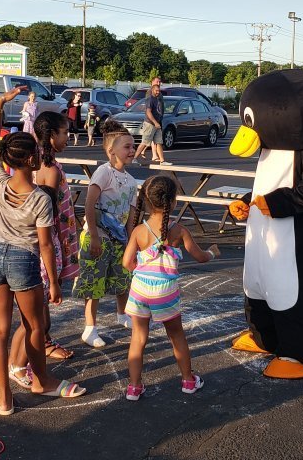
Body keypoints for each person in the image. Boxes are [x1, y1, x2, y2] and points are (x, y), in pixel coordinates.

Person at [0, 88, 86, 415]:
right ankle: (41, 381)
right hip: (22, 261)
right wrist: (54, 282)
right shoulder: (41, 198)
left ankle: (4, 397)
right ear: (31, 159)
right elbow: (44, 244)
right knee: (35, 326)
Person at [123, 175, 219, 401]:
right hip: (165, 291)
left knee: (138, 338)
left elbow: (127, 263)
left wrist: (143, 268)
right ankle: (188, 380)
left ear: (146, 201)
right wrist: (214, 251)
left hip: (140, 289)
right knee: (176, 335)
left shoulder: (139, 231)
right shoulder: (179, 231)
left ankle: (134, 387)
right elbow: (201, 257)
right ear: (173, 202)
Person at [8, 110, 80, 385]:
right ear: (51, 135)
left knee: (39, 320)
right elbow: (44, 214)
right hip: (43, 250)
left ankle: (18, 362)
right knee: (35, 320)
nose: (67, 138)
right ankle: (16, 365)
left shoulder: (41, 165)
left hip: (43, 248)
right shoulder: (49, 169)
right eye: (64, 133)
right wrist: (53, 278)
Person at [72, 119, 138, 347]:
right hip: (97, 237)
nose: (132, 150)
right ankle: (90, 328)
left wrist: (131, 242)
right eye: (127, 146)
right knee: (94, 284)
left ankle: (122, 314)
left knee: (122, 279)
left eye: (133, 146)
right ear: (112, 151)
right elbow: (89, 204)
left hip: (119, 240)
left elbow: (131, 215)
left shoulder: (131, 181)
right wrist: (95, 235)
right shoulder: (103, 172)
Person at [133, 77, 170, 166]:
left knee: (159, 142)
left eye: (159, 90)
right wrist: (155, 122)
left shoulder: (158, 97)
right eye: (156, 90)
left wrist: (159, 121)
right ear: (152, 85)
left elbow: (160, 108)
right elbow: (148, 112)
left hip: (157, 123)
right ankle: (134, 158)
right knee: (145, 142)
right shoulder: (150, 97)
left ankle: (162, 161)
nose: (158, 91)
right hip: (150, 123)